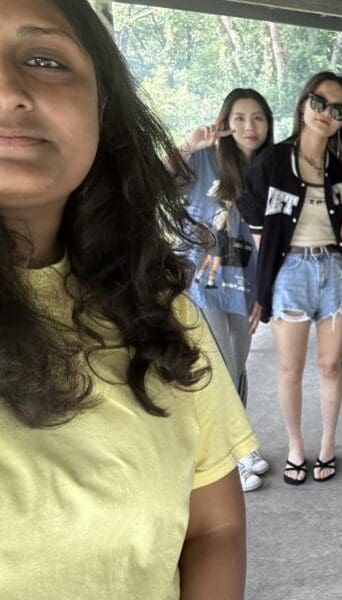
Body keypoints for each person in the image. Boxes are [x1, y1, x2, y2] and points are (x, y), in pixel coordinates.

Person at [0, 1, 257, 598]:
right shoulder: (199, 162)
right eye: (239, 118)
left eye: (43, 59)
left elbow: (214, 528)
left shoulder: (157, 309)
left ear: (103, 109)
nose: (8, 88)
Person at [238, 72, 342, 485]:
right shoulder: (272, 161)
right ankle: (295, 446)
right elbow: (251, 209)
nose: (327, 114)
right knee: (290, 369)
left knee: (330, 366)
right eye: (320, 103)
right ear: (304, 104)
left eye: (337, 109)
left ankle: (326, 445)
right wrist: (265, 268)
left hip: (335, 269)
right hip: (291, 270)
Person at [177, 88, 274, 492]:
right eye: (239, 118)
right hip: (204, 278)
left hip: (245, 279)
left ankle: (241, 444)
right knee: (218, 363)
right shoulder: (205, 158)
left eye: (257, 119)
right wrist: (187, 146)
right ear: (225, 121)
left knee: (236, 362)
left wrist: (263, 293)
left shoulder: (272, 168)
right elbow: (153, 182)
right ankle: (228, 456)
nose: (249, 127)